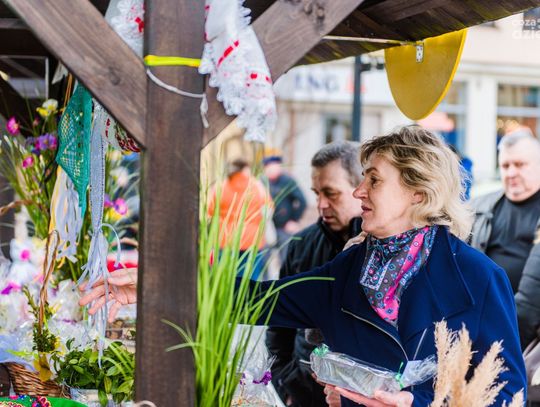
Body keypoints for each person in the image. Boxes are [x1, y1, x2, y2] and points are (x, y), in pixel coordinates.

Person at [80, 126, 526, 406]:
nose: (359, 192)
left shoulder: (479, 278)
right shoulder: (349, 268)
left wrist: (417, 403)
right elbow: (253, 299)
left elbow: (509, 392)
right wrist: (153, 285)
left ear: (419, 192)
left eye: (373, 180)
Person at [265, 141, 363, 407]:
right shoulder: (300, 244)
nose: (321, 204)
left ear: (361, 189)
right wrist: (285, 384)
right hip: (304, 394)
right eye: (317, 193)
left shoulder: (383, 246)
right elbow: (278, 325)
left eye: (331, 194)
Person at [470, 130, 540, 349]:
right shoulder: (479, 208)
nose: (511, 173)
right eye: (505, 165)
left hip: (529, 335)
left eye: (520, 165)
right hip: (478, 324)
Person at [208, 158, 272, 280]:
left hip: (226, 239)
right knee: (251, 278)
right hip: (252, 240)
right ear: (245, 169)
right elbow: (268, 209)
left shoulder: (220, 186)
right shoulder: (257, 186)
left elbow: (210, 211)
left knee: (227, 279)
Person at [263, 155, 307, 263]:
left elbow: (302, 201)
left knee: (286, 260)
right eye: (268, 167)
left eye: (274, 166)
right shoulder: (261, 182)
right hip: (266, 229)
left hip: (284, 227)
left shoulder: (287, 181)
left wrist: (294, 220)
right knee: (263, 260)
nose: (271, 169)